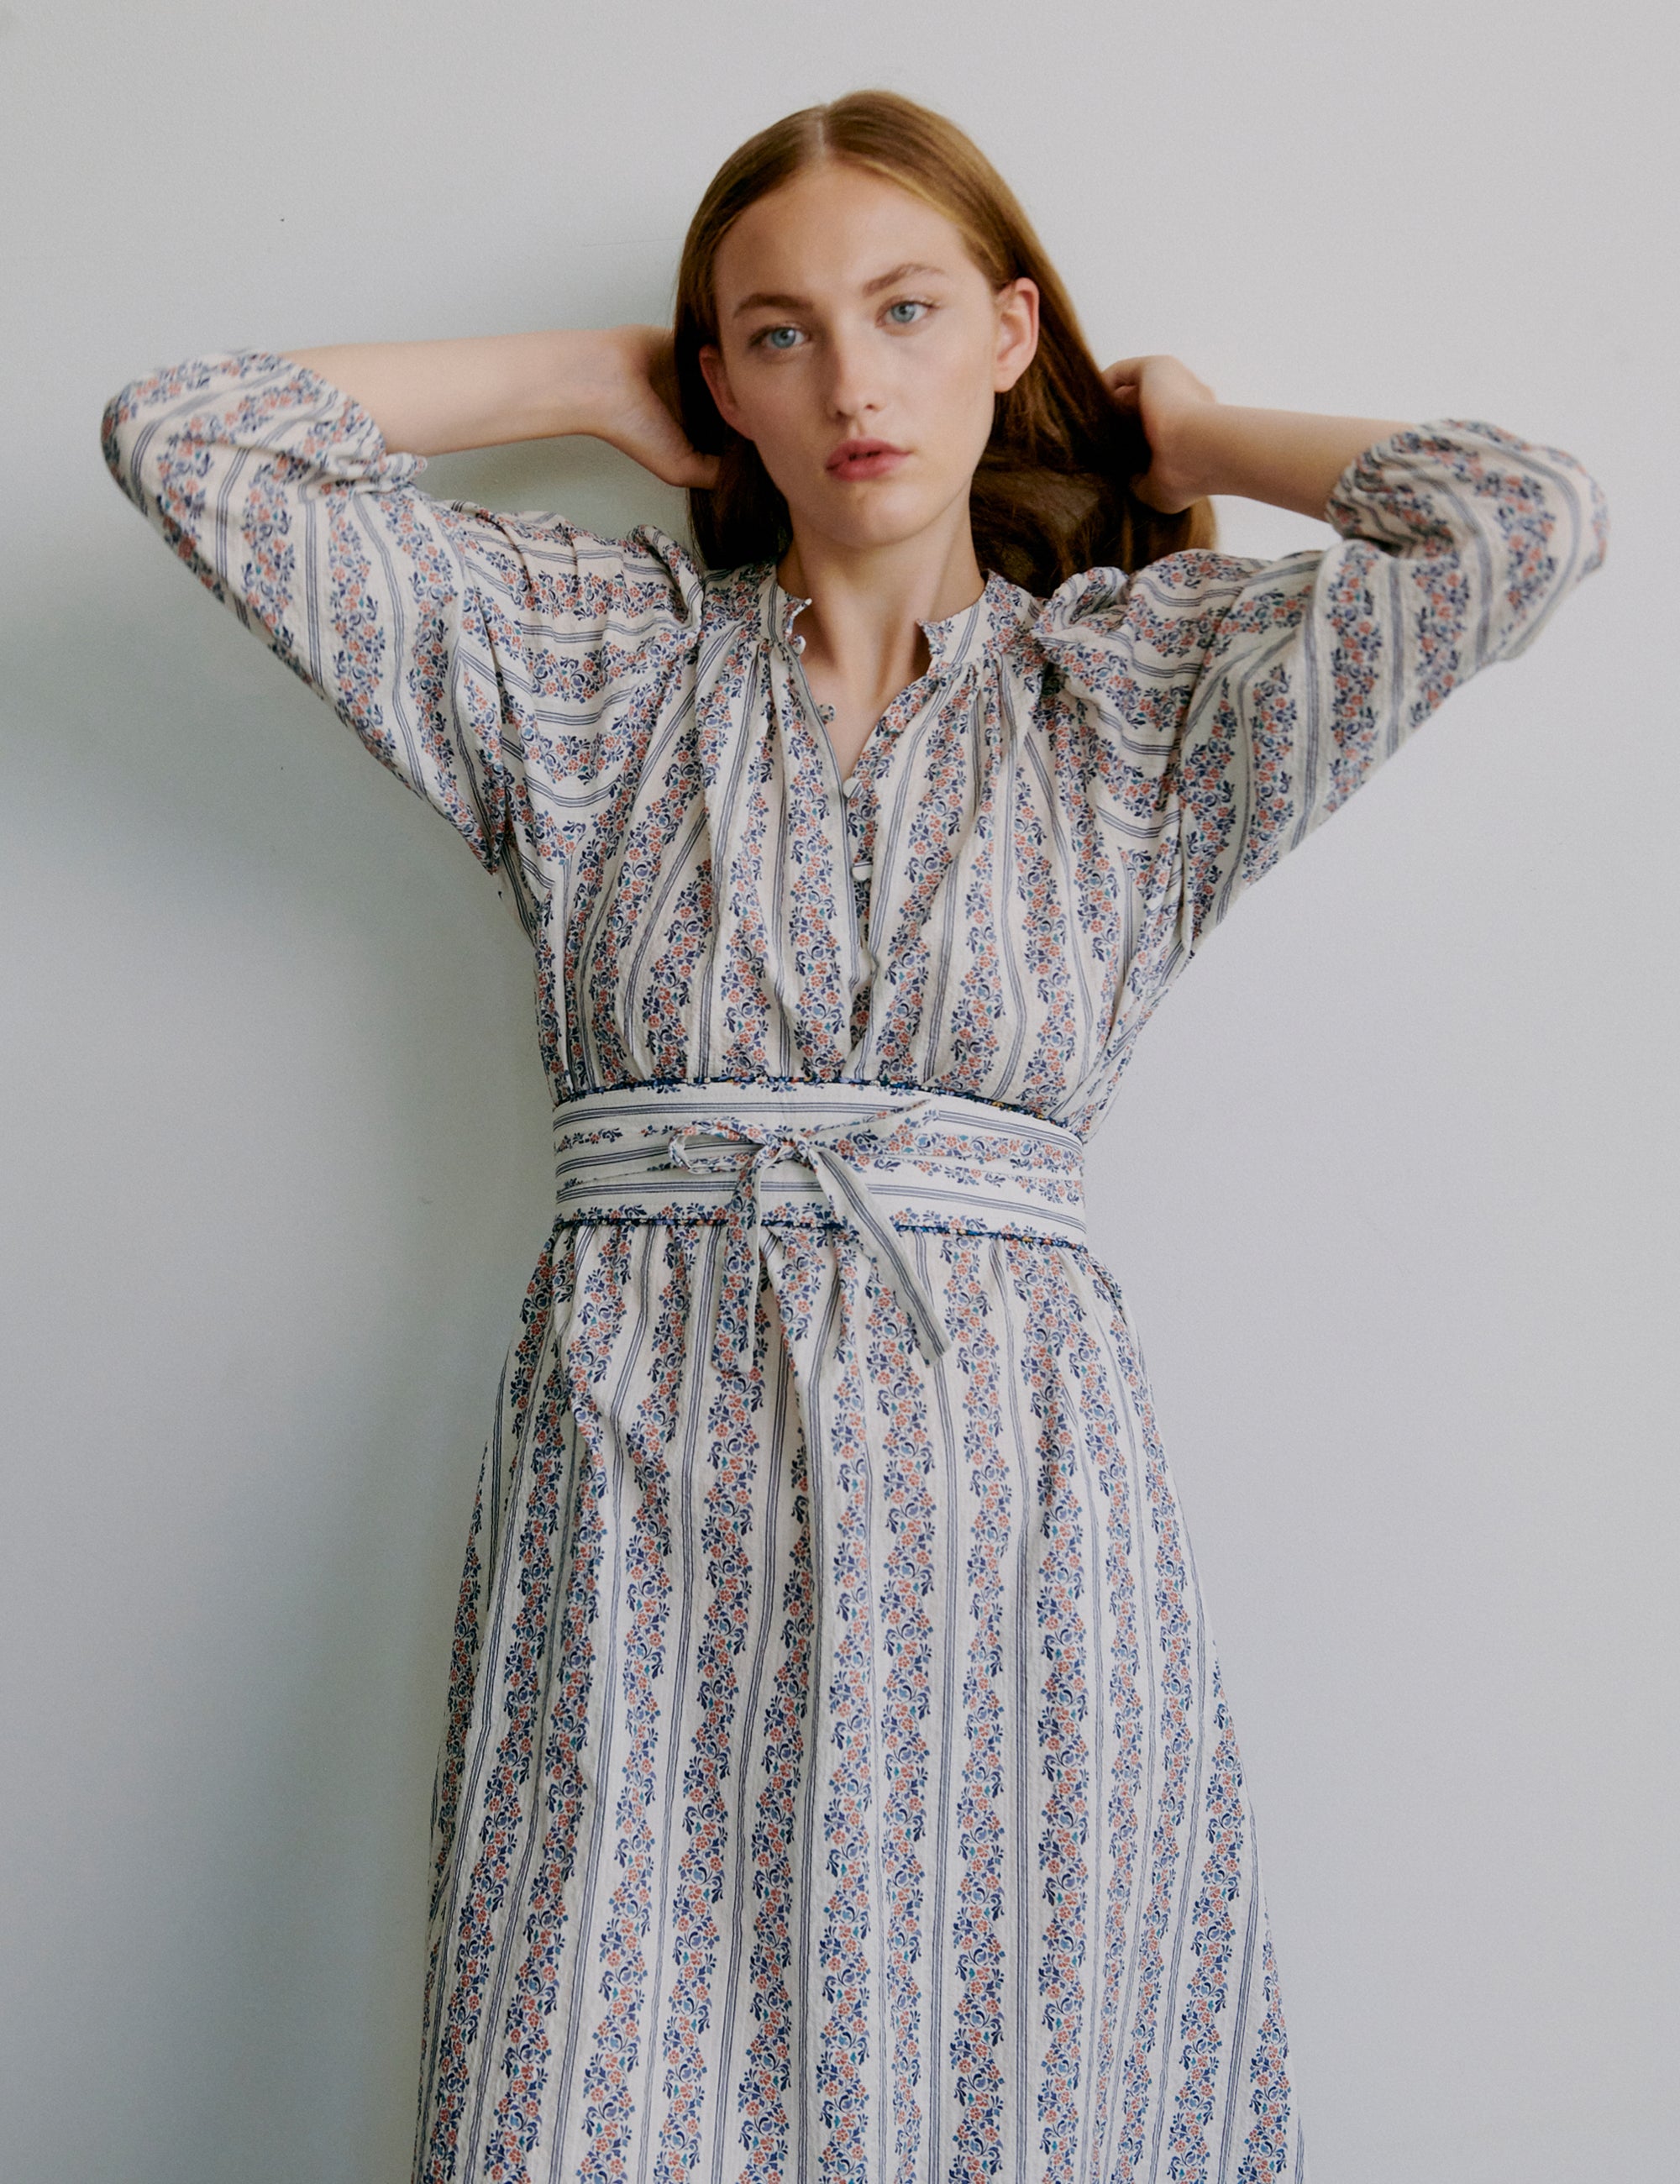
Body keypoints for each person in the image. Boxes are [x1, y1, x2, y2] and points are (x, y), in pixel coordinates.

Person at [101, 87, 1606, 2184]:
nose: (852, 383)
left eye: (905, 310)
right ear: (722, 380)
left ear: (1009, 334)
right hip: (642, 1488)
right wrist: (586, 379)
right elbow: (186, 440)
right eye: (779, 332)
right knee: (582, 2085)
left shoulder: (1143, 702)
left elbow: (1520, 520)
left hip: (1016, 1519)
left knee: (1019, 2085)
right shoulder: (588, 670)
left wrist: (1190, 431)